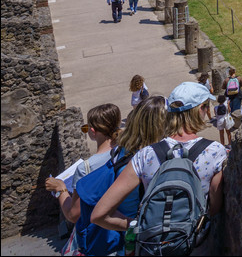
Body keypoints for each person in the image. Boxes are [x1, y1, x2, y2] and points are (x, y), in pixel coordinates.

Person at [91, 83, 227, 250]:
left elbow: (99, 215)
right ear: (199, 109)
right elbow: (214, 206)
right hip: (195, 244)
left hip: (153, 245)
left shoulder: (145, 154)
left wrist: (140, 226)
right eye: (206, 107)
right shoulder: (215, 151)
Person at [70, 96, 167, 257]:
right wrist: (141, 226)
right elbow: (99, 215)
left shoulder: (123, 153)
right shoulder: (137, 162)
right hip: (140, 242)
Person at [43, 103, 123, 237]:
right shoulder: (129, 152)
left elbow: (73, 214)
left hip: (102, 235)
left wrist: (60, 188)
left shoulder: (85, 168)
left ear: (92, 131)